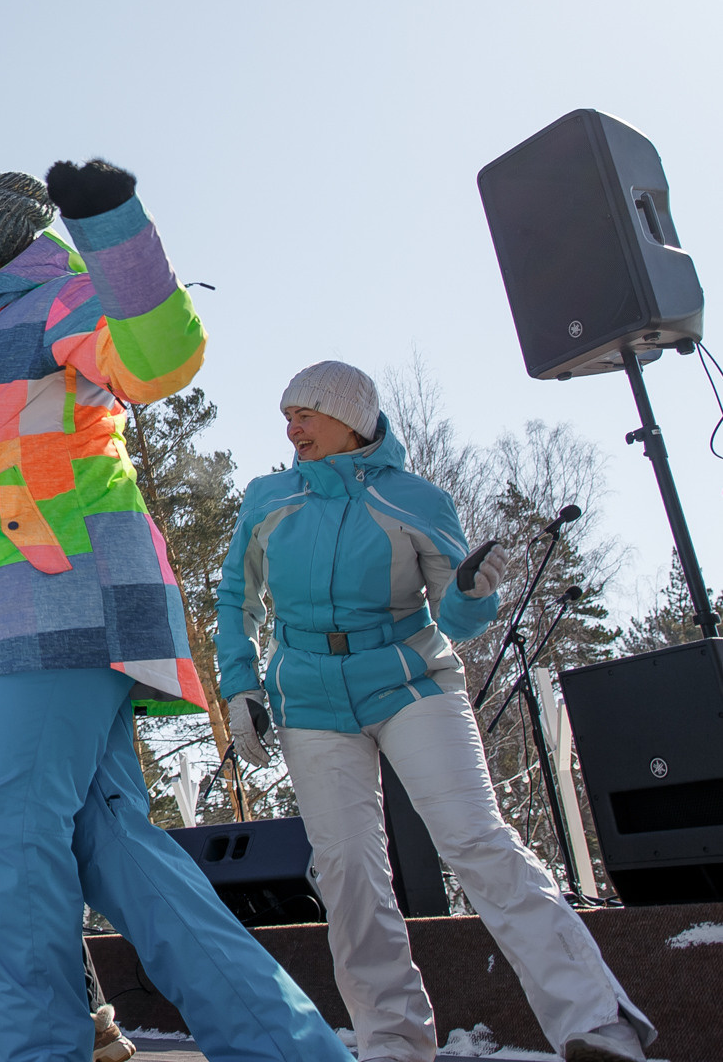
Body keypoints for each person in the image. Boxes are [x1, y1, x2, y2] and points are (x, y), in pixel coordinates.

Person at [0, 163, 350, 1062]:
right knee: (117, 849)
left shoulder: (55, 304)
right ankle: (290, 1050)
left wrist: (114, 227)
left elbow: (160, 356)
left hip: (62, 602)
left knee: (10, 838)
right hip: (2, 624)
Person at [215, 361, 656, 1062]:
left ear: (350, 419)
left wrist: (476, 594)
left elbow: (455, 615)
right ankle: (392, 1043)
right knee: (347, 871)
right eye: (288, 416)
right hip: (309, 699)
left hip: (411, 683)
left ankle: (597, 1022)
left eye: (305, 413)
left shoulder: (417, 499)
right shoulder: (268, 498)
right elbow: (234, 598)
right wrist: (240, 686)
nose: (292, 428)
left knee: (475, 838)